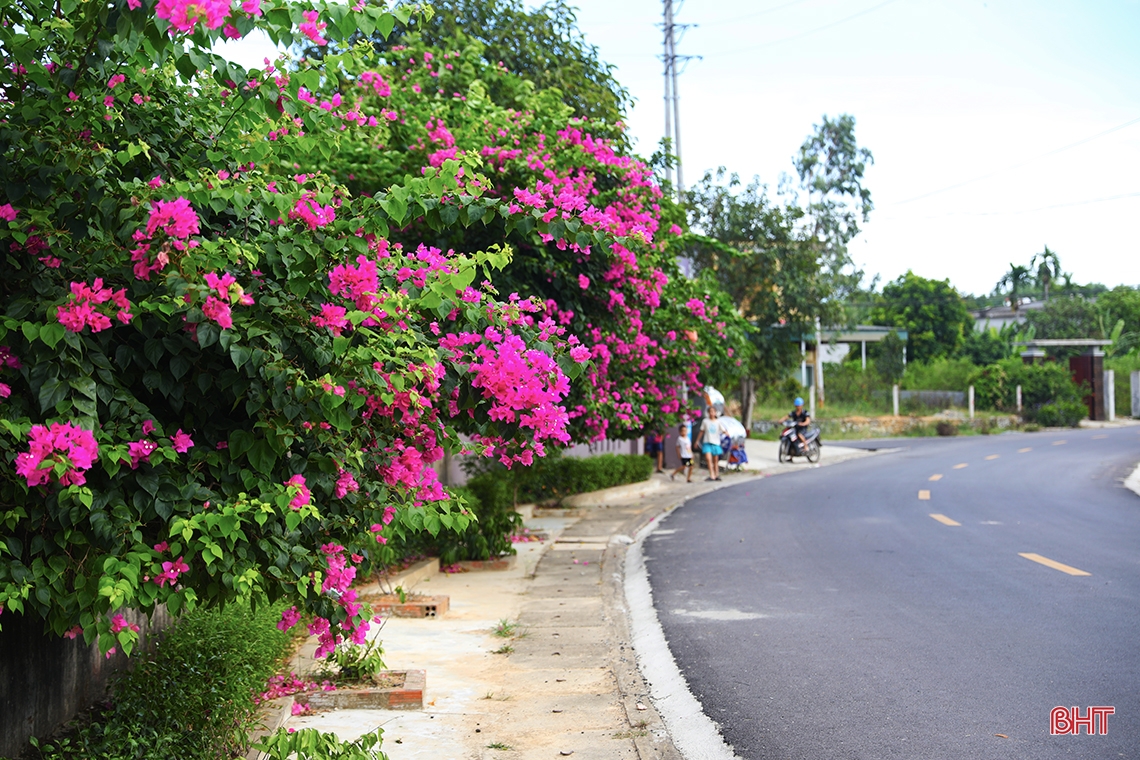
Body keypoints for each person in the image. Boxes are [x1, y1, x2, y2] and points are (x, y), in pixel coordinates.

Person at [694, 407, 724, 481]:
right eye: (710, 411)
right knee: (708, 458)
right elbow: (702, 431)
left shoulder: (718, 422)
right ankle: (712, 475)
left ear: (715, 412)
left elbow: (723, 430)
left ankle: (716, 474)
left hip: (715, 442)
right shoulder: (705, 421)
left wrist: (726, 433)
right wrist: (697, 441)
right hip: (707, 442)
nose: (711, 413)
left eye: (713, 411)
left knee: (715, 460)